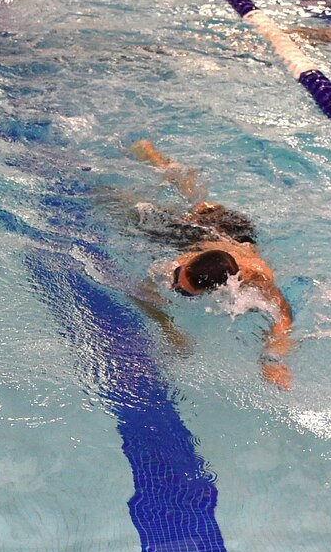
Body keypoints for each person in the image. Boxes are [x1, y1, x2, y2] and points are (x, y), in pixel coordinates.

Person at [111, 140, 297, 388]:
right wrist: (168, 327)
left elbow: (283, 315)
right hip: (209, 237)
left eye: (181, 291)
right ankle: (154, 158)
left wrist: (271, 360)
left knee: (200, 208)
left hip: (237, 234)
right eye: (179, 276)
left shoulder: (258, 277)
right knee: (139, 212)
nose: (173, 282)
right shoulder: (179, 262)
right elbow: (142, 292)